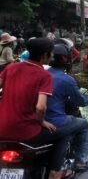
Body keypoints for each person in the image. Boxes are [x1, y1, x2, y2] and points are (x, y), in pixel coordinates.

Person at [0, 38, 71, 179]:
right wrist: (41, 122)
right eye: (50, 53)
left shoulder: (11, 67)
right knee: (64, 133)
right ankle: (55, 172)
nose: (51, 56)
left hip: (2, 128)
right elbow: (40, 107)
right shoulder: (44, 75)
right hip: (26, 131)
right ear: (45, 55)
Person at [46, 44, 88, 172]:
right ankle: (81, 162)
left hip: (36, 119)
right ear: (66, 60)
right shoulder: (67, 80)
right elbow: (81, 101)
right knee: (83, 124)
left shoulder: (42, 74)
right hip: (54, 120)